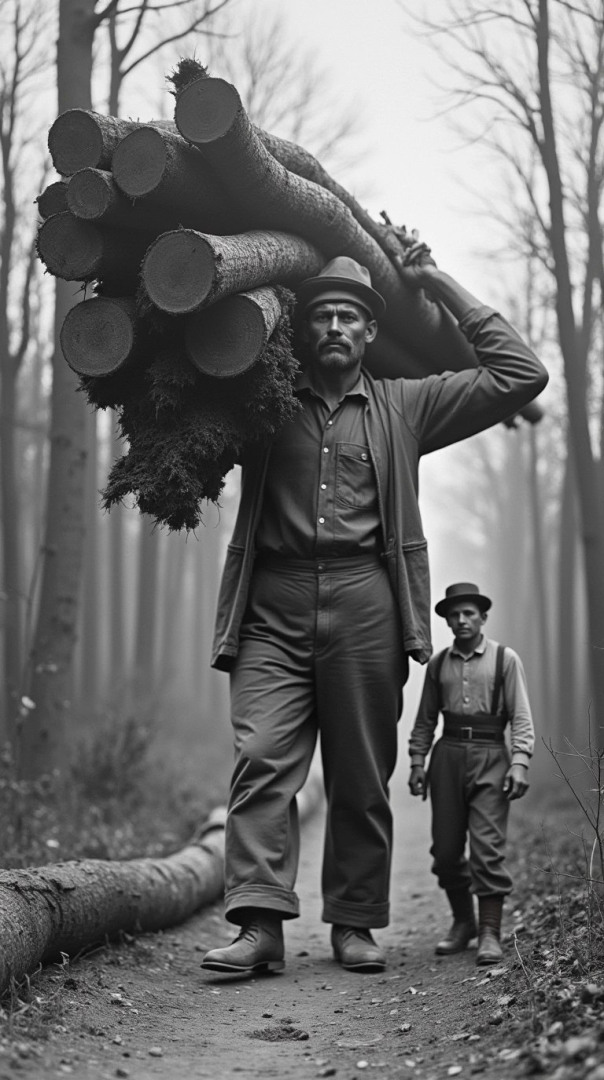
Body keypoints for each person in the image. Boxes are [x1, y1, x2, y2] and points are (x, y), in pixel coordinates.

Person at [201, 249, 547, 977]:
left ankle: (354, 923)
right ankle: (259, 924)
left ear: (367, 333)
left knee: (361, 775)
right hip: (273, 603)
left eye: (348, 316)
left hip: (367, 602)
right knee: (261, 759)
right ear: (302, 330)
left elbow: (522, 374)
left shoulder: (405, 406)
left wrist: (439, 283)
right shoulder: (261, 401)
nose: (332, 325)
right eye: (321, 314)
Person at [408, 582, 535, 965]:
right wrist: (417, 762)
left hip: (491, 757)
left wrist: (520, 761)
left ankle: (489, 934)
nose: (461, 620)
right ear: (447, 620)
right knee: (446, 851)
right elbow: (425, 720)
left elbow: (521, 716)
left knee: (486, 850)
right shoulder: (438, 664)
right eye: (454, 614)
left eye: (469, 613)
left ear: (482, 618)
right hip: (447, 758)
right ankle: (463, 922)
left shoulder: (504, 659)